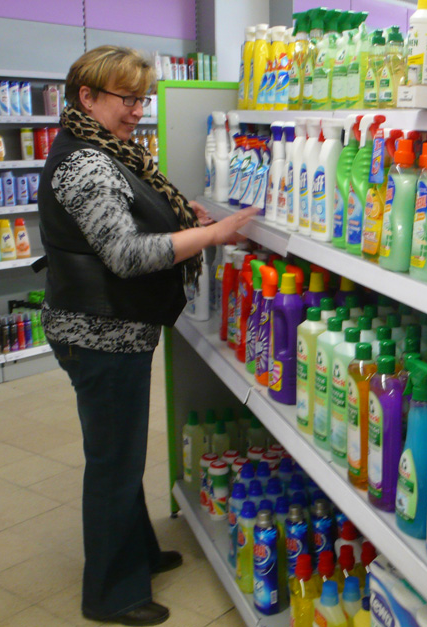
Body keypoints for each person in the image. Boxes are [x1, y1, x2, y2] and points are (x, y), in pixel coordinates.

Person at [37, 46, 256, 626]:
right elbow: (127, 254)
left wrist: (186, 213)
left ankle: (135, 551)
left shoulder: (108, 147)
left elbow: (142, 207)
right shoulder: (85, 162)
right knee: (113, 460)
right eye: (127, 98)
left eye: (143, 98)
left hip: (115, 329)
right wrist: (211, 237)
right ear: (88, 97)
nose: (138, 110)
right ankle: (111, 593)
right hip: (99, 335)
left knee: (123, 453)